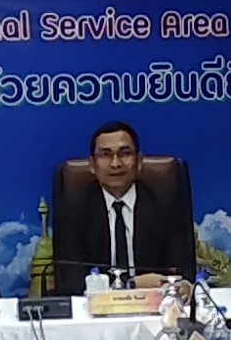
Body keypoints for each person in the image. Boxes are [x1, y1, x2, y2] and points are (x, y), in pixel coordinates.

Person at [51, 120, 197, 285]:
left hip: (155, 299)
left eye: (125, 153)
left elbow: (182, 271)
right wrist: (131, 284)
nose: (116, 164)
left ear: (139, 161)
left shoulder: (164, 204)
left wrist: (180, 284)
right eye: (106, 155)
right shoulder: (75, 209)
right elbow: (70, 281)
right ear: (92, 165)